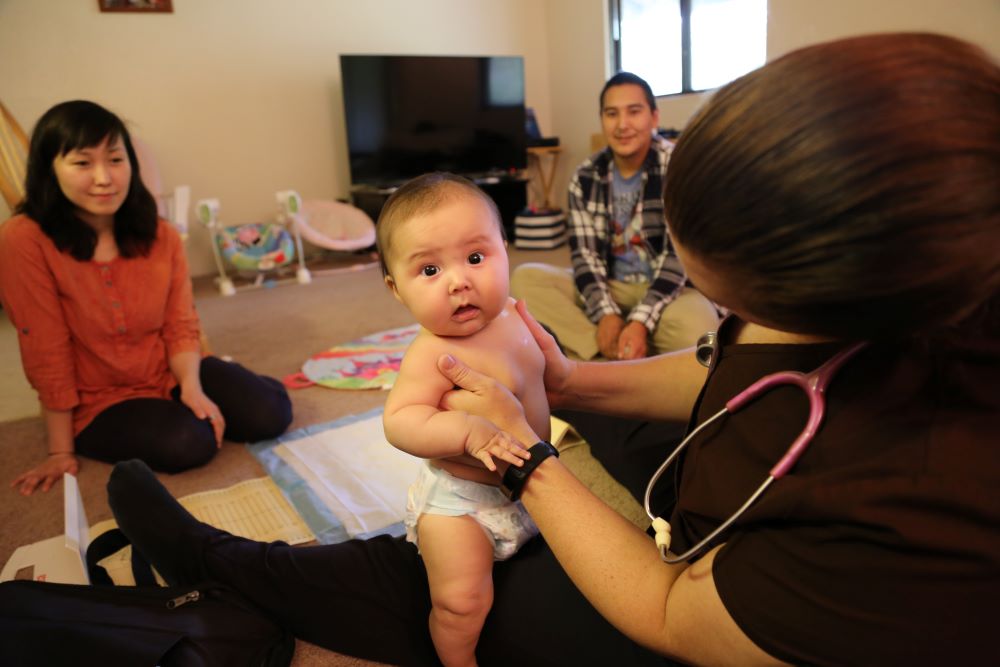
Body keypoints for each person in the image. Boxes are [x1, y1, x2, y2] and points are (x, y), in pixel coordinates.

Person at [95, 33, 996, 665]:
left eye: (727, 293)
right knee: (619, 421)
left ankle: (232, 563)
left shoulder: (916, 520)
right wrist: (566, 381)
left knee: (455, 592)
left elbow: (674, 613)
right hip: (532, 462)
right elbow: (719, 371)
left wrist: (528, 460)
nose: (462, 280)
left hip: (683, 603)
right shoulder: (905, 301)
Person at [0, 100, 293, 496]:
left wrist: (191, 384)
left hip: (167, 369)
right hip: (96, 400)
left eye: (115, 159)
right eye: (82, 163)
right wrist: (59, 449)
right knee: (190, 443)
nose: (104, 177)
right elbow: (44, 345)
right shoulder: (23, 238)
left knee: (270, 413)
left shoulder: (161, 234)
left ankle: (228, 381)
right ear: (49, 169)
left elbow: (180, 322)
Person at [378, 172, 550, 666]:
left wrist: (555, 369)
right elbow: (401, 419)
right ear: (396, 289)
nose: (459, 281)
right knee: (462, 603)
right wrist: (467, 431)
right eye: (430, 270)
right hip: (462, 507)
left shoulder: (515, 319)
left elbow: (540, 381)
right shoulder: (431, 353)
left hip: (531, 486)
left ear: (503, 250)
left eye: (476, 258)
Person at [511, 72, 718, 361]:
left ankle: (617, 347)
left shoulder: (680, 168)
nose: (622, 125)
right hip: (612, 286)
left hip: (672, 290)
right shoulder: (584, 176)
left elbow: (677, 262)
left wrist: (640, 322)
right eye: (612, 114)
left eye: (634, 112)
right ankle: (607, 353)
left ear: (654, 117)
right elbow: (586, 258)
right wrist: (607, 315)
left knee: (699, 328)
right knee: (525, 280)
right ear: (602, 119)